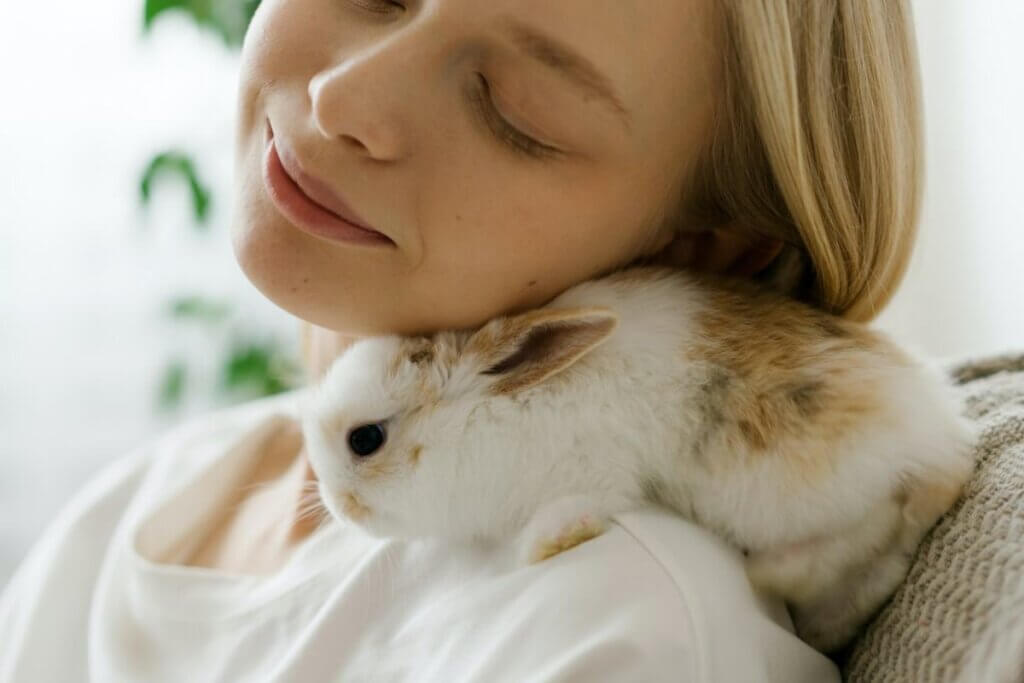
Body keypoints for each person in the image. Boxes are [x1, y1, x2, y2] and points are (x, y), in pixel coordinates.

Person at [0, 0, 922, 680]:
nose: (343, 96)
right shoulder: (142, 503)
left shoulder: (619, 633)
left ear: (692, 248)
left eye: (509, 108)